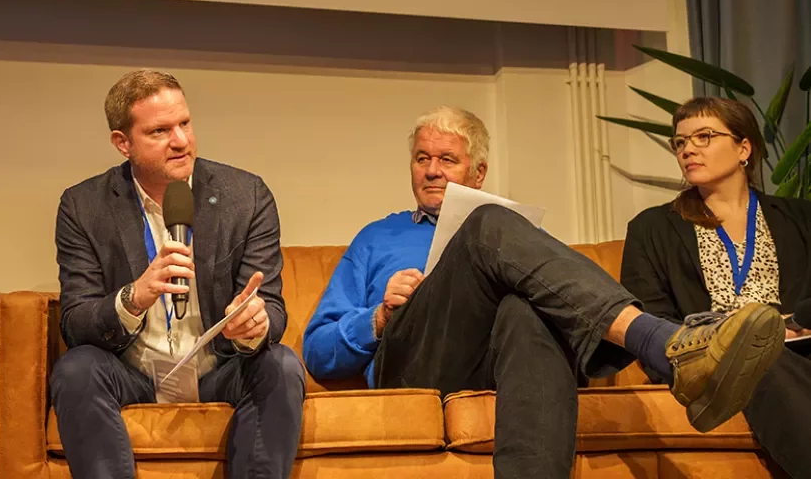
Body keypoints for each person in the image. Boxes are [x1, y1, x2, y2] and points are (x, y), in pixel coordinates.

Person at [303, 105, 785, 478]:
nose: (431, 170)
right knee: (488, 222)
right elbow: (318, 352)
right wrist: (377, 317)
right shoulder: (376, 237)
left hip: (504, 363)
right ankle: (660, 343)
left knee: (523, 307)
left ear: (478, 172)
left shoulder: (513, 237)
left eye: (447, 159)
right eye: (422, 158)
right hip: (417, 365)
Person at [49, 69, 305, 478]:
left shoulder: (246, 196)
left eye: (185, 123)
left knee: (281, 364)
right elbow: (76, 322)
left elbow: (271, 308)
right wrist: (135, 296)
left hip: (218, 369)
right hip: (131, 372)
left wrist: (252, 325)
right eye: (159, 131)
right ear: (122, 143)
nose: (181, 141)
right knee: (76, 369)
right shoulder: (83, 206)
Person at [621, 96, 811, 477]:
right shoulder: (652, 228)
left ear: (744, 148)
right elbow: (650, 319)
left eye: (704, 136)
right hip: (713, 360)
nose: (688, 148)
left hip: (803, 350)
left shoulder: (801, 218)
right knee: (758, 354)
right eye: (680, 142)